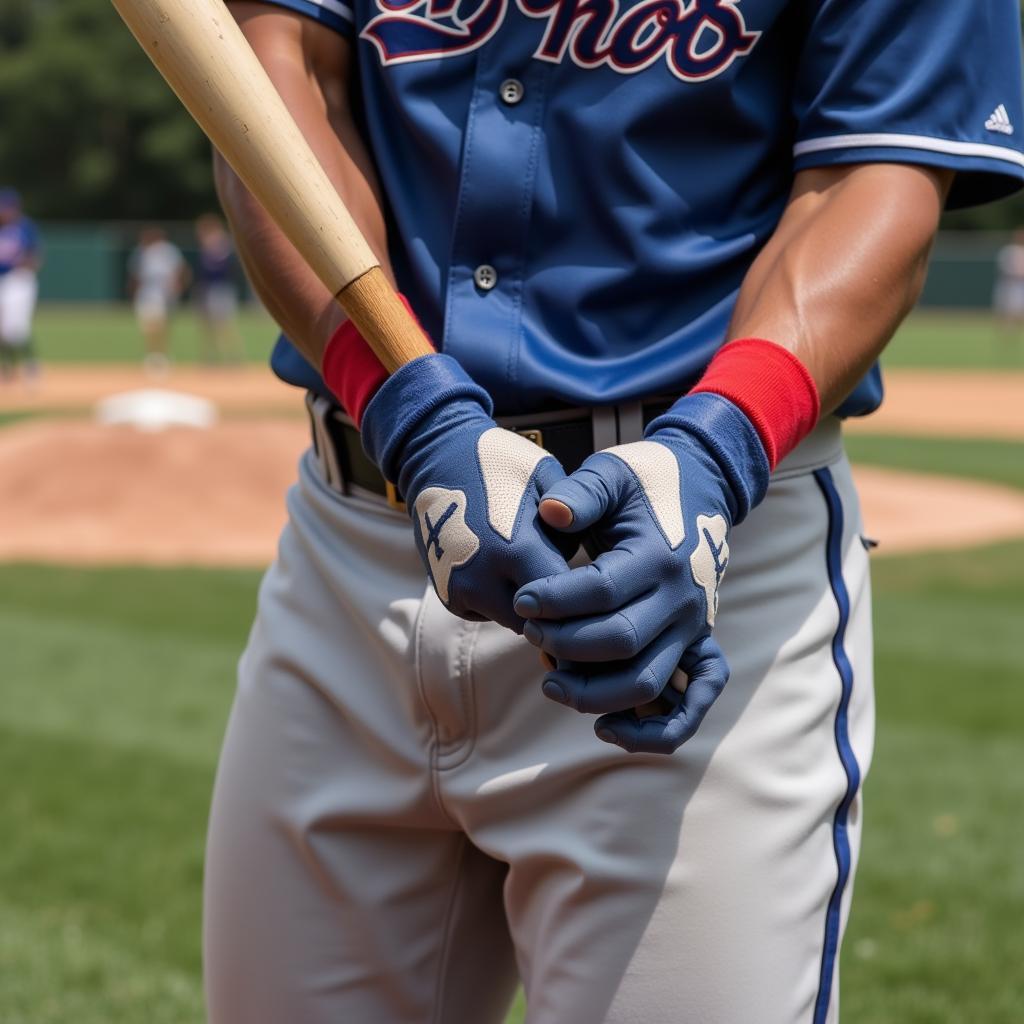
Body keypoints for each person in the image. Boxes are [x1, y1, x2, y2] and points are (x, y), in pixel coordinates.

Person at [202, 2, 1024, 1022]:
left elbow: (872, 175)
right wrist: (405, 406)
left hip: (697, 560)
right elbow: (273, 80)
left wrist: (717, 448)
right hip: (354, 549)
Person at [127, 226, 189, 374]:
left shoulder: (168, 251)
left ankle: (162, 355)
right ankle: (153, 355)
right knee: (149, 326)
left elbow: (181, 270)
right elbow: (135, 275)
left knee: (163, 326)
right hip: (148, 292)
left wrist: (178, 286)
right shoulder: (141, 251)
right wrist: (134, 291)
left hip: (165, 292)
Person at [0, 188, 42, 382]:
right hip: (3, 281)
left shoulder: (25, 227)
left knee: (16, 329)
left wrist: (24, 264)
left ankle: (30, 366)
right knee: (3, 329)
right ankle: (7, 369)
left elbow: (36, 258)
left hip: (19, 280)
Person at [194, 213, 244, 364]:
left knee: (225, 325)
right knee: (207, 327)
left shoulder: (223, 244)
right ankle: (209, 358)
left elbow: (224, 267)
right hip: (207, 289)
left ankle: (234, 357)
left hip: (222, 289)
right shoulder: (205, 247)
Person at [993, 227, 1024, 353]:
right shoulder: (1009, 251)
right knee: (1007, 311)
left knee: (1019, 312)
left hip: (1021, 285)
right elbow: (1007, 269)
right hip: (1010, 284)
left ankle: (1015, 334)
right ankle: (1006, 335)